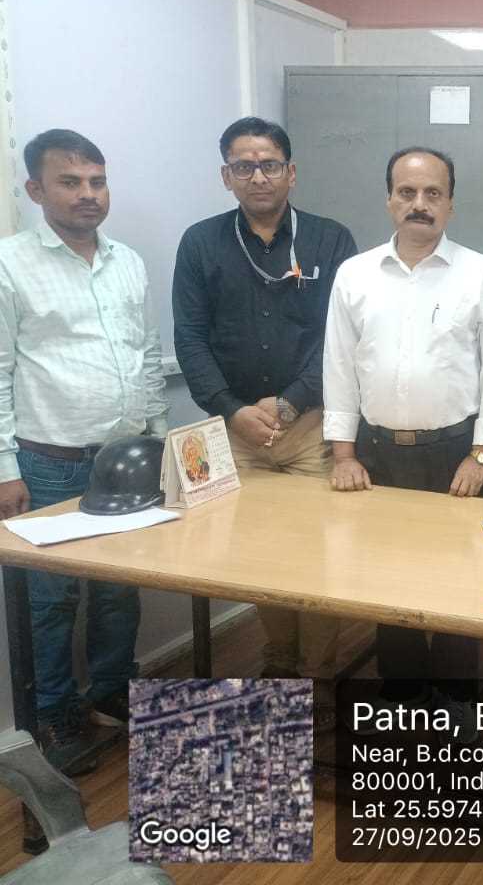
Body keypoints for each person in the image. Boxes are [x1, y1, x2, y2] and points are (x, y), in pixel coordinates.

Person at [173, 117, 358, 731]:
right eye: (244, 166)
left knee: (320, 553)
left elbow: (340, 337)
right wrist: (231, 409)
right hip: (237, 432)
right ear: (226, 176)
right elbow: (190, 338)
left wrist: (289, 404)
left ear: (291, 172)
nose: (258, 176)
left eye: (269, 164)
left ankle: (320, 672)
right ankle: (279, 657)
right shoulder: (201, 243)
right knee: (259, 555)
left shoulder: (330, 240)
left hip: (310, 427)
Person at [0, 130, 168, 772]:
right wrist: (5, 468)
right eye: (70, 182)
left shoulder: (127, 261)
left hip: (126, 457)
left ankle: (112, 691)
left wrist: (159, 438)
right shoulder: (11, 264)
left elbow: (146, 352)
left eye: (97, 181)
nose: (88, 194)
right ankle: (54, 715)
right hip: (48, 461)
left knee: (121, 588)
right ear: (35, 189)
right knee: (50, 599)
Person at [324, 146, 483, 710]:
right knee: (387, 579)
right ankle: (401, 695)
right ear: (389, 200)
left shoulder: (482, 274)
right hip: (378, 455)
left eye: (433, 193)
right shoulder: (354, 275)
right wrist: (343, 455)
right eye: (406, 192)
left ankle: (456, 700)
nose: (419, 204)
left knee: (458, 580)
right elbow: (338, 366)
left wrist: (481, 455)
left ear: (451, 203)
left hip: (454, 454)